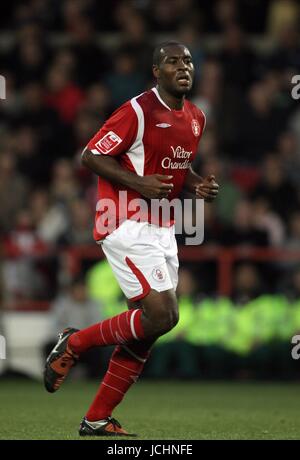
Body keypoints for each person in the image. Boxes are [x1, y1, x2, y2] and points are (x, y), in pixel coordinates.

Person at [43, 41, 219, 437]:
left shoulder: (195, 117)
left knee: (152, 326)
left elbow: (178, 164)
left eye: (189, 60)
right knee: (161, 314)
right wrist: (139, 183)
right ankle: (76, 343)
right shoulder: (138, 110)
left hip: (162, 226)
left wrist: (196, 185)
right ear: (157, 71)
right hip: (123, 220)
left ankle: (96, 419)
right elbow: (90, 155)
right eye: (173, 61)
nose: (183, 66)